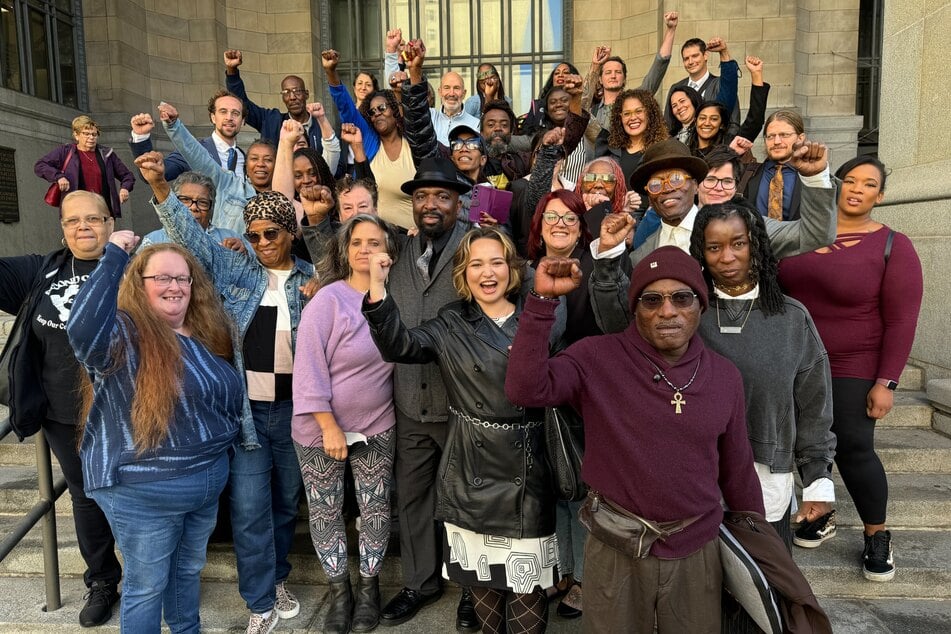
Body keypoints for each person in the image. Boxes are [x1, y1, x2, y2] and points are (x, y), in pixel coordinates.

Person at [505, 246, 765, 633]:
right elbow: (525, 389)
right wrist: (542, 301)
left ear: (700, 305)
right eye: (651, 300)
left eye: (682, 297)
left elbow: (738, 470)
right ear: (635, 308)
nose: (667, 311)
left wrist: (758, 546)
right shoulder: (596, 357)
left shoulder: (725, 376)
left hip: (696, 548)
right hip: (616, 546)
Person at [136, 152, 315, 634]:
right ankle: (259, 601)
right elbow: (192, 239)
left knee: (284, 505)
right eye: (254, 234)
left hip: (298, 412)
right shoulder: (238, 270)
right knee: (250, 510)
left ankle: (276, 578)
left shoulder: (309, 281)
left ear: (289, 234)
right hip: (248, 416)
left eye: (270, 234)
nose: (260, 242)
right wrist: (160, 190)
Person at [364, 227, 558, 634]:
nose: (487, 273)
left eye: (496, 262)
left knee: (527, 591)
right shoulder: (452, 321)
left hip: (527, 469)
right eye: (476, 264)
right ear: (463, 274)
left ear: (511, 268)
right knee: (484, 588)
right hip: (471, 468)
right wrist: (378, 288)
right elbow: (400, 346)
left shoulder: (537, 315)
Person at [67, 235, 241, 632]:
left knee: (186, 574)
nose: (175, 286)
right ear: (138, 283)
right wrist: (113, 257)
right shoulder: (124, 333)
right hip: (143, 492)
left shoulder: (204, 332)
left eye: (183, 278)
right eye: (161, 277)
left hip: (203, 487)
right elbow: (82, 331)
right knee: (146, 587)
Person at [688, 200, 837, 631]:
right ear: (701, 253)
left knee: (762, 602)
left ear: (757, 247)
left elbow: (814, 405)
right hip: (695, 479)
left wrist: (818, 478)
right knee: (703, 603)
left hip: (765, 483)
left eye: (738, 244)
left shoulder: (790, 318)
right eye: (714, 248)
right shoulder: (685, 313)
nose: (727, 257)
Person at [778, 155, 924, 582]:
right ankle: (820, 511)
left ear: (880, 195)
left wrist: (887, 382)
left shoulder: (893, 245)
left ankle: (877, 534)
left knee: (854, 446)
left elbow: (901, 321)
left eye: (869, 184)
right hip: (793, 357)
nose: (857, 189)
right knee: (794, 442)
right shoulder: (798, 234)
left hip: (852, 362)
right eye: (850, 180)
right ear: (836, 185)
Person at [363, 156, 477, 630]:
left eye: (442, 197)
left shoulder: (476, 247)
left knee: (468, 500)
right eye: (423, 197)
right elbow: (347, 245)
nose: (431, 205)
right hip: (409, 401)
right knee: (411, 499)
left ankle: (474, 590)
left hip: (462, 405)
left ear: (458, 203)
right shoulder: (399, 252)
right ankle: (420, 583)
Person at [0, 190, 122, 628]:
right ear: (63, 228)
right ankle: (103, 581)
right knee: (85, 497)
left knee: (131, 495)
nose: (84, 227)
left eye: (94, 218)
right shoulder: (42, 271)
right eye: (73, 221)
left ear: (110, 223)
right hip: (61, 411)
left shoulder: (132, 266)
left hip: (123, 409)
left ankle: (152, 576)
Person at [589, 139, 836, 334]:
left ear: (696, 185)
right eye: (656, 184)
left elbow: (816, 233)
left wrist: (815, 177)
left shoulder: (742, 228)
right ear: (649, 195)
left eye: (676, 178)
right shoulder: (643, 256)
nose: (667, 189)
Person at [293, 215, 400, 634]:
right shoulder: (328, 300)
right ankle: (340, 592)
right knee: (325, 512)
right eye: (357, 242)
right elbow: (308, 369)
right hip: (321, 427)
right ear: (345, 249)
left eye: (374, 242)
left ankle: (369, 590)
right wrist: (328, 425)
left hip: (376, 424)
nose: (364, 250)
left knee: (374, 511)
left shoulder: (396, 300)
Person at [525, 189, 597, 618]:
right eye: (551, 216)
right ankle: (564, 570)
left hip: (578, 394)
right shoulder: (525, 269)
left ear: (580, 228)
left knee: (579, 489)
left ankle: (586, 578)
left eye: (570, 219)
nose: (560, 224)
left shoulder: (590, 269)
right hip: (534, 394)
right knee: (552, 488)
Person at [323, 48, 417, 229]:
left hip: (414, 239)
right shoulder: (371, 142)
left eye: (382, 108)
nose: (376, 114)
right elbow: (346, 108)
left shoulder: (412, 142)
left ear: (394, 110)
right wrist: (331, 72)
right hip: (376, 235)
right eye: (372, 112)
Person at [224, 48, 331, 154]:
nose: (292, 97)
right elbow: (242, 104)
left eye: (297, 91)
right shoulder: (271, 121)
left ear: (306, 94)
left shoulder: (321, 126)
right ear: (283, 98)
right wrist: (232, 72)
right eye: (286, 93)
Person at [130, 89, 248, 182]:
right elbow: (156, 172)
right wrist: (141, 137)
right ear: (213, 117)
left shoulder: (246, 159)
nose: (229, 117)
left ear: (242, 121)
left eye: (235, 113)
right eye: (223, 112)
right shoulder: (191, 150)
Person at [34, 115, 134, 218]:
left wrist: (125, 188)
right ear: (76, 135)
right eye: (86, 134)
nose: (91, 137)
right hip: (75, 212)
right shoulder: (66, 152)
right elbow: (40, 165)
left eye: (94, 134)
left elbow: (127, 176)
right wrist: (58, 177)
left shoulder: (107, 154)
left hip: (102, 211)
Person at [139, 171, 244, 249]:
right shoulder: (153, 241)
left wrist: (244, 257)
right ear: (174, 202)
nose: (194, 207)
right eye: (185, 200)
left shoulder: (232, 239)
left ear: (211, 208)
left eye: (202, 202)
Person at [664, 37, 741, 136]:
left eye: (695, 56)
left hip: (716, 145)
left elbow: (732, 121)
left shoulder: (719, 84)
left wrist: (724, 146)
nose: (691, 61)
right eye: (686, 59)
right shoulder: (676, 88)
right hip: (682, 147)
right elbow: (668, 123)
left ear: (705, 55)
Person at [595, 88, 668, 184]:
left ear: (649, 114)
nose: (633, 118)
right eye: (627, 114)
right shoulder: (608, 152)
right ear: (620, 117)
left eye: (638, 111)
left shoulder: (663, 151)